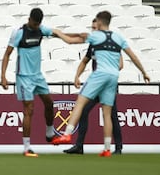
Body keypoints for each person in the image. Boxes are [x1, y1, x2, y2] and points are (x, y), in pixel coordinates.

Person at [52, 11, 150, 157]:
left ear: (98, 22)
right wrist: (144, 72)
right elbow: (133, 56)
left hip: (100, 75)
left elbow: (71, 40)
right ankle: (106, 149)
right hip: (113, 77)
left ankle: (67, 134)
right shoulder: (118, 38)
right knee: (107, 113)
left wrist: (57, 33)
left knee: (80, 103)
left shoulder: (95, 36)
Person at [1, 8, 76, 157]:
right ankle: (27, 148)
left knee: (49, 103)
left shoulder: (41, 29)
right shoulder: (18, 32)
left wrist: (78, 36)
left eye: (38, 24)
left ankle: (49, 134)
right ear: (29, 19)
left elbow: (56, 33)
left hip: (38, 76)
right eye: (35, 24)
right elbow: (7, 53)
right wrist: (3, 76)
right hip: (24, 77)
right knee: (29, 109)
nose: (36, 27)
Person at [63, 19, 123, 155]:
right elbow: (85, 61)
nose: (93, 30)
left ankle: (118, 147)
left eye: (95, 28)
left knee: (112, 115)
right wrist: (77, 76)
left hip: (107, 85)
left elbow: (120, 64)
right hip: (96, 87)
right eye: (92, 28)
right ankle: (79, 146)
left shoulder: (111, 45)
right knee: (84, 111)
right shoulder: (94, 45)